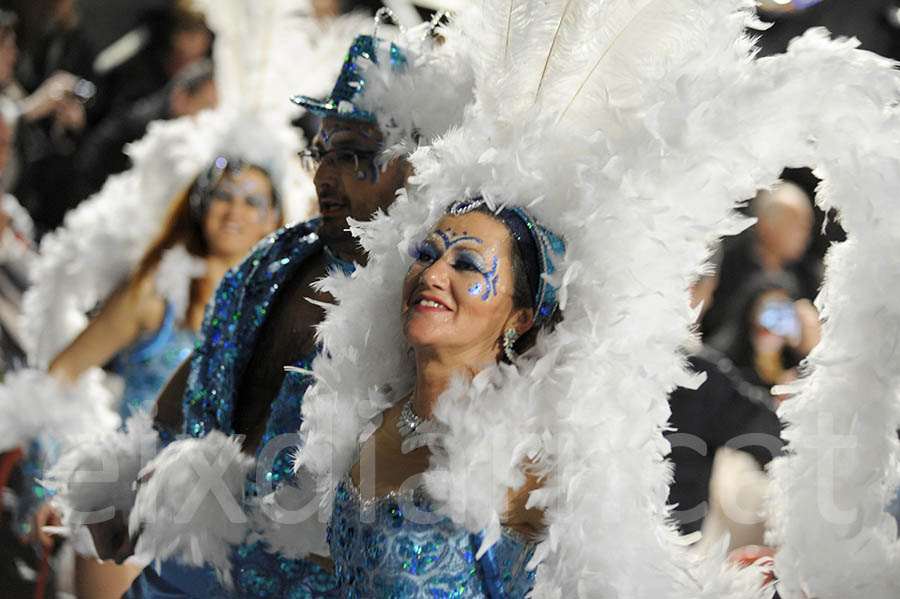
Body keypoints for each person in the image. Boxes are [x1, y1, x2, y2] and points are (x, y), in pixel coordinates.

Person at [50, 26, 471, 598]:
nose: (323, 175)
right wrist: (128, 475)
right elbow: (205, 366)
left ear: (414, 164)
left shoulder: (426, 300)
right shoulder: (279, 254)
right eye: (321, 150)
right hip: (170, 579)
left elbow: (389, 502)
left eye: (353, 154)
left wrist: (208, 488)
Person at [31, 151, 282, 599]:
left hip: (216, 531)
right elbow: (60, 375)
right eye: (223, 195)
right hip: (129, 506)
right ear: (200, 205)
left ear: (273, 219)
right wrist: (61, 480)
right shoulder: (153, 294)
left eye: (252, 201)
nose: (235, 211)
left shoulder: (277, 311)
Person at [701, 180, 821, 339]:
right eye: (796, 224)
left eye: (807, 226)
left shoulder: (808, 276)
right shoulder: (725, 264)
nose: (806, 234)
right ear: (766, 223)